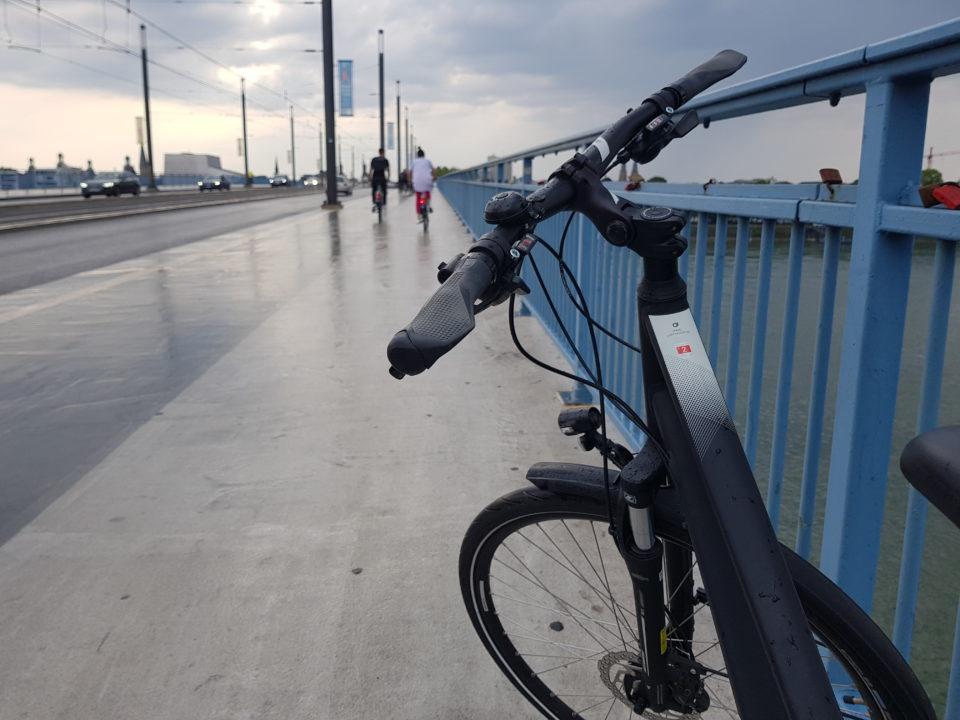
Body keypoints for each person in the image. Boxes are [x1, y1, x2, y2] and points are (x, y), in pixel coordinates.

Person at [411, 147, 435, 221]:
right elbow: (434, 170)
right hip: (427, 181)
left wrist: (410, 180)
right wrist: (434, 177)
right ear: (424, 155)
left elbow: (409, 172)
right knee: (427, 193)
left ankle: (418, 216)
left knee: (418, 198)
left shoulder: (414, 162)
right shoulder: (428, 161)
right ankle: (428, 206)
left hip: (417, 182)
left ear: (417, 156)